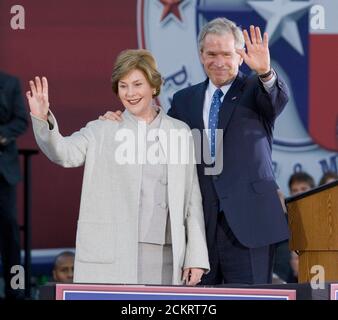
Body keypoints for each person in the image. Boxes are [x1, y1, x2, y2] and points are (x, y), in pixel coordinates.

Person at [102, 18, 289, 285]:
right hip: (201, 226)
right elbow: (159, 134)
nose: (219, 61)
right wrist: (123, 122)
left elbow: (276, 101)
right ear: (201, 55)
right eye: (211, 54)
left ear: (240, 55)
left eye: (227, 54)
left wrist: (266, 73)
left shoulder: (254, 89)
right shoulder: (184, 99)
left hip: (250, 222)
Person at [26, 49, 209, 286]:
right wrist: (43, 119)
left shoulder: (180, 132)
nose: (130, 93)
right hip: (115, 256)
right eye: (123, 86)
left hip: (168, 255)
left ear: (154, 86)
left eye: (137, 84)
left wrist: (196, 256)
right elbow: (63, 153)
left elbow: (192, 199)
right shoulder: (103, 128)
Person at [0, 71, 28, 299]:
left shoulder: (9, 83)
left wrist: (1, 135)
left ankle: (15, 289)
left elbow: (21, 120)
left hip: (3, 171)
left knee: (9, 228)